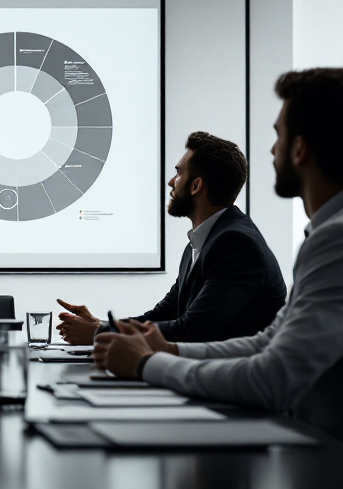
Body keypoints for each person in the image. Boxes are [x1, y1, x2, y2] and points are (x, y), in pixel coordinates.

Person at [94, 68, 343, 449]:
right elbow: (269, 342)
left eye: (278, 135)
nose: (271, 150)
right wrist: (169, 350)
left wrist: (147, 364)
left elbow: (271, 380)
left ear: (299, 149)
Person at [57, 132, 285, 344]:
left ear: (196, 186)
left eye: (179, 173)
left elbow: (193, 331)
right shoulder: (201, 242)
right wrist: (102, 325)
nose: (170, 182)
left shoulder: (235, 245)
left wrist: (100, 334)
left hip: (231, 383)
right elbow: (165, 313)